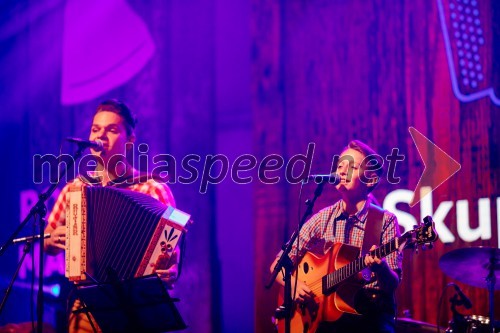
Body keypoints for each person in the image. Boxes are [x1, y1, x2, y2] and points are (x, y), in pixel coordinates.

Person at [44, 99, 179, 333]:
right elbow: (47, 242)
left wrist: (170, 268)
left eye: (112, 130)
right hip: (86, 305)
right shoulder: (75, 189)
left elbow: (173, 250)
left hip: (138, 305)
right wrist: (51, 238)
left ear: (130, 141)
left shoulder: (152, 188)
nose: (101, 137)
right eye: (95, 129)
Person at [270, 140, 402, 333]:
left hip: (370, 319)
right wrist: (294, 285)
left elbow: (392, 284)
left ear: (370, 180)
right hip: (328, 321)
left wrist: (381, 268)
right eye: (340, 165)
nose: (341, 171)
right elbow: (277, 266)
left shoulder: (384, 221)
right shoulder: (324, 217)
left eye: (352, 166)